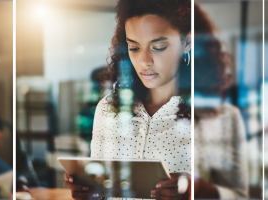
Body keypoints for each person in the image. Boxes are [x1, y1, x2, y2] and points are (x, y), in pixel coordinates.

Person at [64, 0, 191, 200]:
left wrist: (197, 192)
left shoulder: (209, 113)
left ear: (187, 43)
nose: (144, 61)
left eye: (158, 47)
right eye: (134, 48)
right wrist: (88, 192)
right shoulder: (107, 109)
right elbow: (101, 188)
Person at [193, 4, 248, 199]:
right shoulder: (111, 109)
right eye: (134, 47)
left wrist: (201, 190)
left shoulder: (223, 116)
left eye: (160, 47)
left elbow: (239, 195)